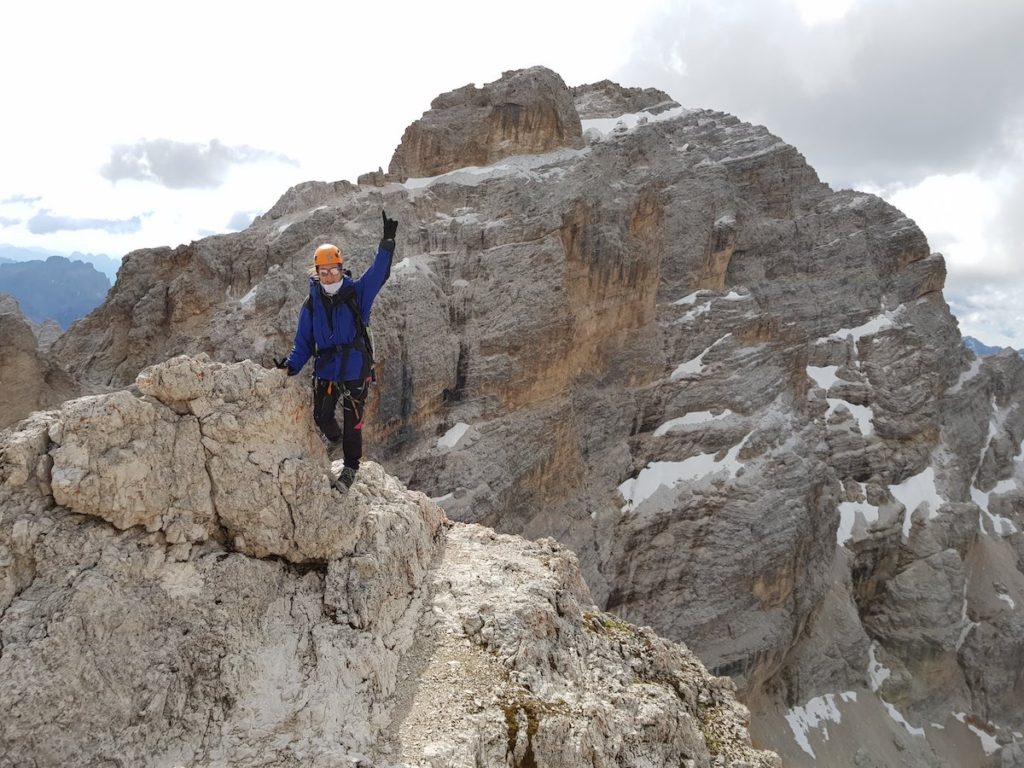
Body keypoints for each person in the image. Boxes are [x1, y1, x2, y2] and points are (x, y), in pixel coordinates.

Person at [275, 211, 398, 489]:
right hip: (328, 368)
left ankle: (350, 467)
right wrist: (290, 366)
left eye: (334, 270)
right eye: (324, 271)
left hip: (355, 367)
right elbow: (304, 343)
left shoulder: (357, 293)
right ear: (316, 273)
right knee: (322, 415)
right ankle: (335, 441)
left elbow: (379, 274)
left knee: (353, 420)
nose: (330, 276)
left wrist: (387, 243)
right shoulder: (311, 304)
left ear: (341, 268)